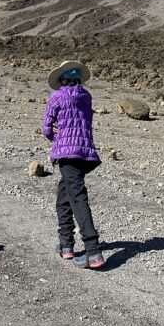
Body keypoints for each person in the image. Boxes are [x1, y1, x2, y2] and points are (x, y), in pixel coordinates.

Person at [43, 60, 104, 269]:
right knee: (64, 195)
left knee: (77, 196)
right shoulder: (87, 97)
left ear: (62, 79)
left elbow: (46, 128)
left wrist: (58, 139)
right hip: (86, 153)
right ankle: (66, 244)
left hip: (67, 153)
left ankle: (93, 251)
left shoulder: (57, 96)